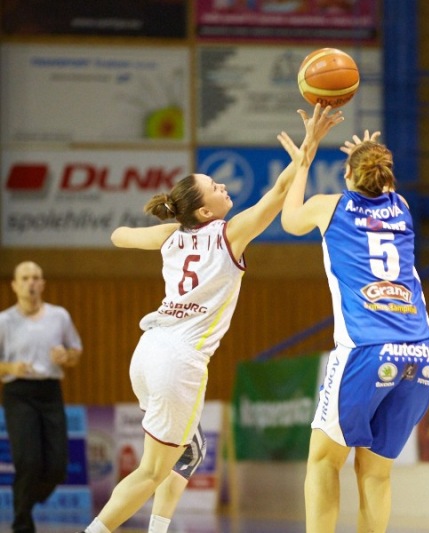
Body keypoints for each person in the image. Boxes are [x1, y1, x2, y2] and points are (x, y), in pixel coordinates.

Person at [78, 103, 343, 533]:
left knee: (187, 451)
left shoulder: (172, 236)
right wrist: (308, 148)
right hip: (179, 361)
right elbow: (279, 193)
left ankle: (158, 530)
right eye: (214, 187)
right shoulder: (229, 234)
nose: (222, 185)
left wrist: (167, 232)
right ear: (205, 212)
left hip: (146, 354)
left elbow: (118, 235)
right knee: (151, 471)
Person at [279, 128, 429, 533]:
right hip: (419, 353)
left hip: (366, 349)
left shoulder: (328, 206)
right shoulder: (402, 207)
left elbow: (290, 220)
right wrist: (366, 154)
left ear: (347, 174)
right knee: (376, 472)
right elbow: (379, 185)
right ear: (386, 177)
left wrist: (303, 163)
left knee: (323, 461)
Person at [0, 261, 83, 533]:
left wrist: (66, 356)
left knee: (57, 466)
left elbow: (75, 352)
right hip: (18, 393)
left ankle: (24, 500)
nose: (31, 283)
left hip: (49, 391)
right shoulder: (4, 321)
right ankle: (22, 524)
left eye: (36, 277)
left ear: (43, 284)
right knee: (28, 461)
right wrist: (10, 367)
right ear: (15, 285)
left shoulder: (59, 316)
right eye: (25, 278)